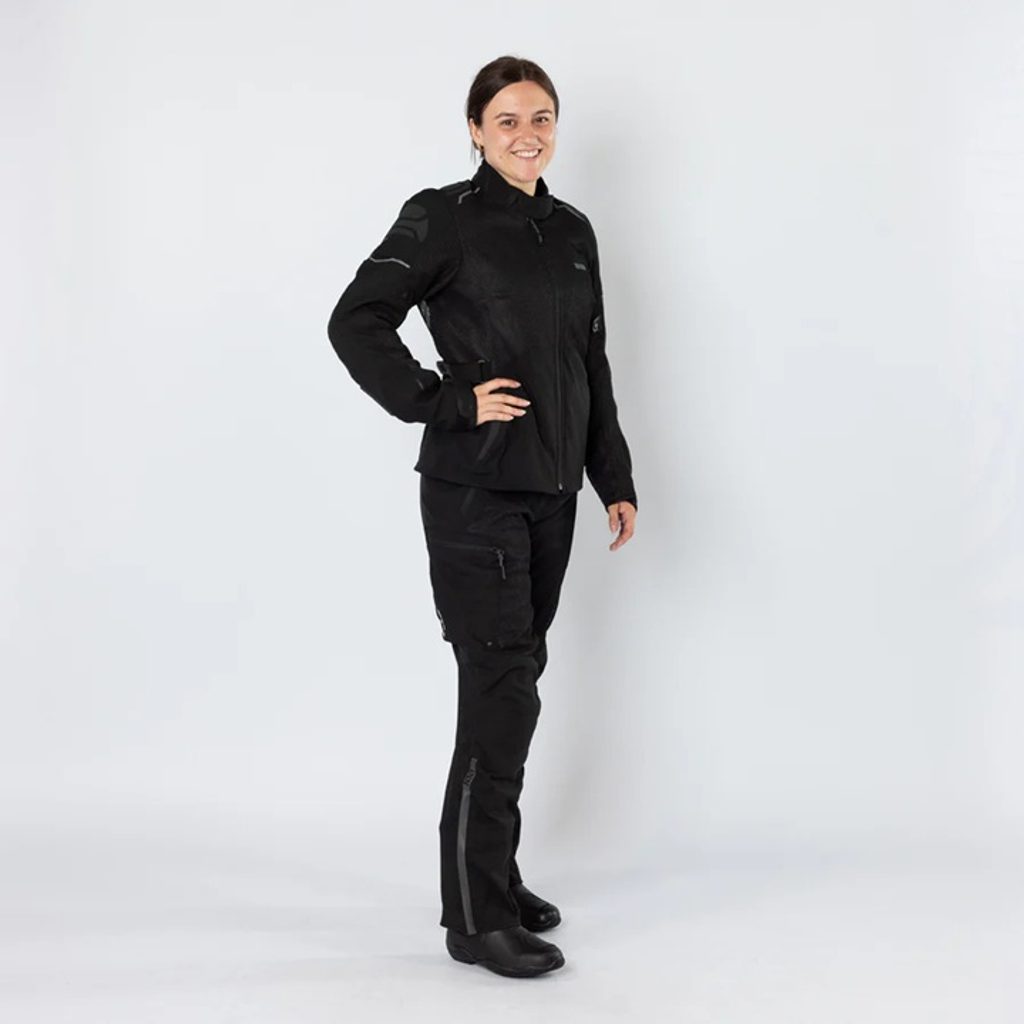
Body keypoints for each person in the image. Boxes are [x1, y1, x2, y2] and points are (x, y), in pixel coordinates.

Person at [326, 55, 638, 978]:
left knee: (518, 683)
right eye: (507, 119)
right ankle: (474, 917)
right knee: (498, 690)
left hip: (550, 494)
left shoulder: (571, 230)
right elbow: (356, 320)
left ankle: (492, 873)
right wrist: (446, 401)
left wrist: (612, 476)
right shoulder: (442, 217)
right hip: (476, 495)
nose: (527, 134)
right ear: (474, 130)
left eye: (541, 118)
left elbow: (589, 364)